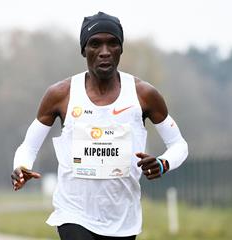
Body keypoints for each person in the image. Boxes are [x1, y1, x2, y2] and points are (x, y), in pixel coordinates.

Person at [11, 11, 188, 240]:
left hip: (122, 217)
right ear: (84, 49)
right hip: (73, 212)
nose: (104, 52)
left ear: (121, 49)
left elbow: (179, 145)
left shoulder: (143, 94)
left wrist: (163, 164)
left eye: (112, 43)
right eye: (95, 44)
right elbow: (29, 146)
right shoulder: (61, 94)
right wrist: (21, 166)